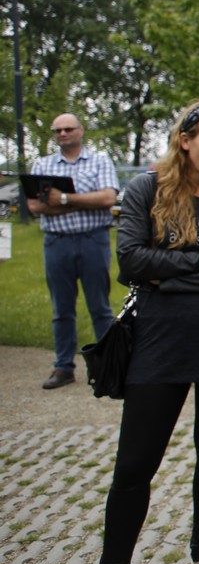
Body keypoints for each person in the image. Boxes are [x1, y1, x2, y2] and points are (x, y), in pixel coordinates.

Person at [47, 101, 199, 564]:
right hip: (160, 341)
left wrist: (174, 273)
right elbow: (132, 263)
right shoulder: (147, 188)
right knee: (135, 463)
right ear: (185, 139)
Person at [26, 113, 118, 390]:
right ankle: (63, 367)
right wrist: (84, 202)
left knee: (100, 307)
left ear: (80, 131)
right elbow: (35, 206)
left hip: (93, 241)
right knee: (61, 309)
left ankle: (110, 366)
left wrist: (64, 199)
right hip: (57, 243)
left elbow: (107, 198)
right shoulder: (42, 165)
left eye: (68, 129)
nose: (63, 134)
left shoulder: (99, 161)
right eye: (57, 131)